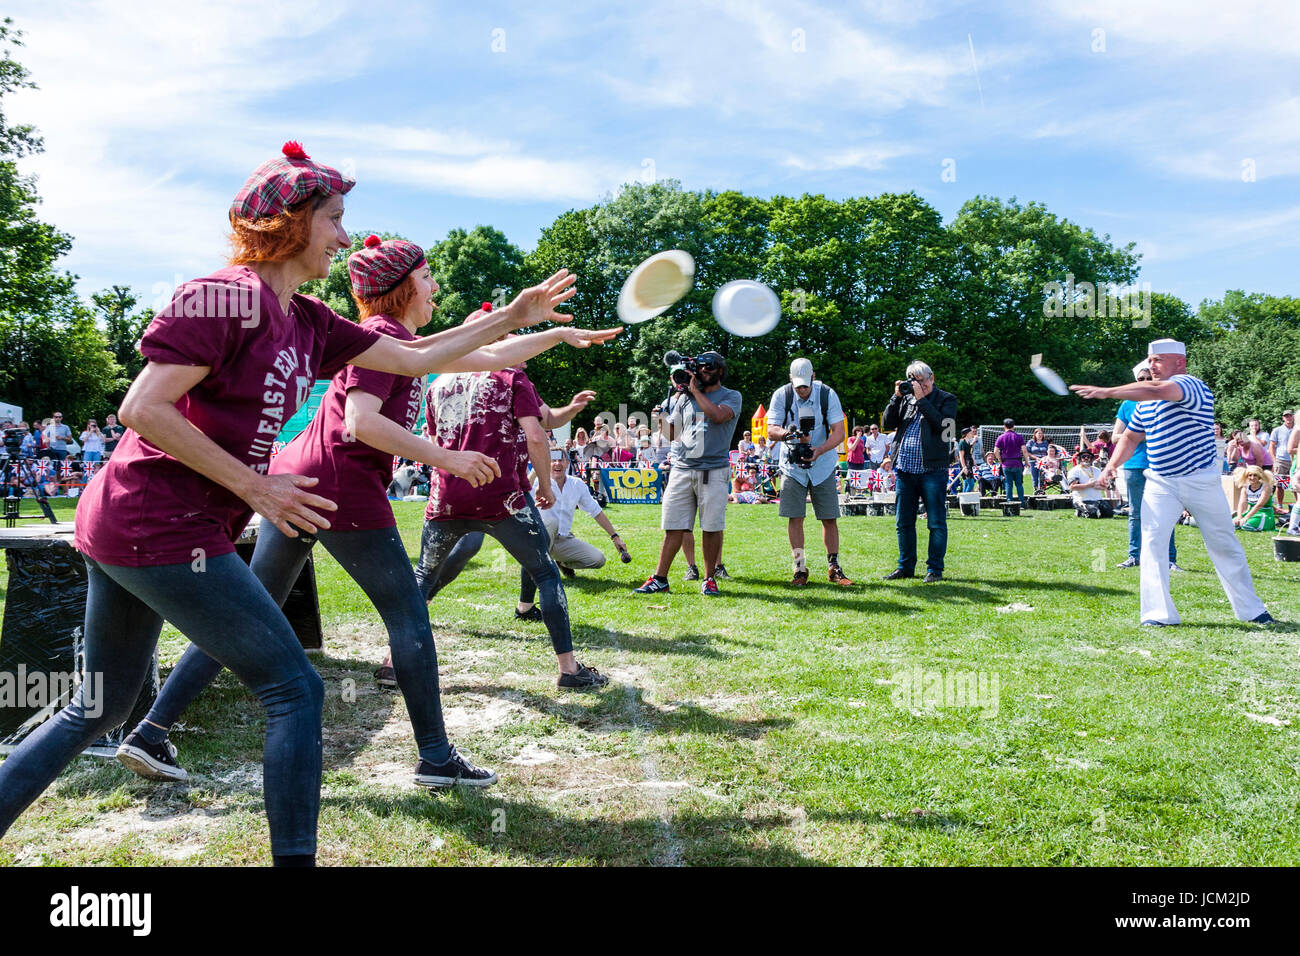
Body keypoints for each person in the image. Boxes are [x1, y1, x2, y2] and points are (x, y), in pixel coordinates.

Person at [0, 143, 606, 867]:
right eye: (335, 219)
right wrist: (256, 487)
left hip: (145, 524)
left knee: (95, 707)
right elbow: (143, 407)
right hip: (154, 521)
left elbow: (416, 356)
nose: (346, 238)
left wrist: (511, 315)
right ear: (289, 222)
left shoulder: (309, 321)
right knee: (294, 690)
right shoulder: (224, 296)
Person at [115, 238, 605, 791]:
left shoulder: (399, 340)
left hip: (303, 476)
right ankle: (436, 759)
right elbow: (362, 423)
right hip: (338, 481)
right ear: (402, 288)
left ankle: (152, 731)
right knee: (408, 615)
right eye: (427, 276)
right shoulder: (386, 336)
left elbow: (493, 355)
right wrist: (445, 457)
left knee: (253, 610)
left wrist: (558, 333)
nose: (435, 287)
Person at [1074, 338, 1273, 627]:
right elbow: (1130, 438)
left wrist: (1107, 392)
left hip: (1200, 479)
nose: (1151, 366)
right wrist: (1111, 467)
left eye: (1158, 360)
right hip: (1160, 481)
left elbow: (1157, 389)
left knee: (1222, 542)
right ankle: (1158, 615)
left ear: (1179, 363)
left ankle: (1252, 610)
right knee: (1152, 543)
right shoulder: (1144, 404)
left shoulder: (1191, 385)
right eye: (1149, 361)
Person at [635, 351, 741, 596]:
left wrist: (694, 392)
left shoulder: (732, 396)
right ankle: (660, 578)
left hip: (713, 469)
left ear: (720, 371)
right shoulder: (682, 398)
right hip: (682, 467)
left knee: (711, 526)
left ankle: (708, 578)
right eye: (699, 368)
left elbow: (717, 416)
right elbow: (672, 435)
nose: (702, 372)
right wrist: (659, 418)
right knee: (674, 526)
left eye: (708, 368)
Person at [513, 448, 630, 621]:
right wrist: (537, 470)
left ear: (568, 463)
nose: (557, 463)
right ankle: (539, 575)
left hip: (562, 539)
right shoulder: (538, 480)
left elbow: (596, 511)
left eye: (561, 460)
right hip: (538, 539)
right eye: (552, 460)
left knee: (598, 560)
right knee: (551, 522)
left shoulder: (577, 485)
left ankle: (560, 561)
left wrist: (615, 536)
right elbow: (521, 494)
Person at [766, 358, 852, 587]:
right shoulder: (781, 395)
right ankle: (799, 568)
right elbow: (770, 429)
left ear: (813, 377)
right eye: (798, 385)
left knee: (829, 517)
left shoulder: (827, 394)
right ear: (790, 379)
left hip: (822, 464)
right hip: (792, 466)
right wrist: (789, 435)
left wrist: (819, 450)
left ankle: (834, 567)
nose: (802, 390)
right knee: (795, 517)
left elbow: (839, 432)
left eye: (806, 384)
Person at [881, 361, 957, 583]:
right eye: (913, 381)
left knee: (935, 522)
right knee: (903, 522)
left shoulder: (946, 399)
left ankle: (935, 569)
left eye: (921, 380)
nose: (918, 385)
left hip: (933, 470)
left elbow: (946, 429)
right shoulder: (906, 399)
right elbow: (887, 423)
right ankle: (905, 567)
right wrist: (896, 397)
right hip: (905, 471)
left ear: (931, 378)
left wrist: (922, 401)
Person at [1112, 359, 1179, 570]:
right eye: (1141, 379)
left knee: (1165, 512)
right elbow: (1115, 437)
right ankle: (1134, 556)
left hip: (1161, 464)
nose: (1145, 382)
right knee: (1136, 513)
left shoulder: (1167, 401)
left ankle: (1169, 559)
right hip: (1134, 465)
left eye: (1149, 378)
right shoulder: (1128, 404)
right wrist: (1139, 435)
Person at [1065, 449, 1112, 517]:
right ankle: (1079, 511)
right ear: (1079, 458)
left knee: (1109, 514)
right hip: (1083, 499)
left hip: (1097, 499)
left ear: (1091, 459)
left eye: (1088, 456)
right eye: (1083, 456)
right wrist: (1089, 485)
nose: (1086, 458)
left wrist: (1100, 486)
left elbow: (1105, 486)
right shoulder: (1074, 471)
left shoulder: (1097, 470)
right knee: (1093, 514)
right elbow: (1072, 487)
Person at [993, 418, 1028, 507]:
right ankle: (1022, 504)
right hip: (1017, 463)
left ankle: (1009, 503)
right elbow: (1024, 450)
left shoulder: (1000, 437)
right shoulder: (1019, 436)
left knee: (1008, 484)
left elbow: (995, 451)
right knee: (1019, 484)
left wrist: (1000, 460)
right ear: (1014, 426)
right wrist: (1027, 462)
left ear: (1004, 426)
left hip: (1006, 463)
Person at [1232, 466, 1275, 532]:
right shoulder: (1245, 487)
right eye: (1250, 475)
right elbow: (1241, 503)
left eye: (1255, 475)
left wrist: (1246, 518)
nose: (1252, 478)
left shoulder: (1266, 487)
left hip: (1264, 513)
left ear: (1259, 476)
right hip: (1251, 512)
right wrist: (1239, 517)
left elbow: (1259, 505)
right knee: (1232, 523)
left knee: (1246, 525)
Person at [1267, 410, 1293, 511]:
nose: (1288, 418)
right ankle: (1280, 505)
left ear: (1293, 417)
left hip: (1295, 460)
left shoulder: (1297, 429)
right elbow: (1272, 446)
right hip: (1281, 460)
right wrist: (1274, 460)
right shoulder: (1277, 430)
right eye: (1286, 416)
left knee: (1296, 484)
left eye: (1290, 416)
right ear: (1283, 418)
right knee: (1280, 484)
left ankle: (1297, 505)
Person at [1025, 427, 1050, 492]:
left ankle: (1042, 490)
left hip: (1043, 462)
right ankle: (1036, 490)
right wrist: (1036, 458)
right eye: (1038, 433)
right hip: (1033, 462)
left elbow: (1049, 451)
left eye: (1041, 433)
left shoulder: (1045, 442)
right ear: (1035, 434)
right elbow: (1027, 452)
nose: (1040, 435)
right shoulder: (1031, 442)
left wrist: (1045, 458)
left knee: (1042, 476)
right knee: (1035, 477)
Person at [956, 426, 978, 492]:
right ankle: (966, 499)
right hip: (965, 464)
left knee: (966, 483)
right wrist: (964, 467)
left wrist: (975, 464)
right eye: (971, 432)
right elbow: (961, 456)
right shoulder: (962, 442)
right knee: (971, 483)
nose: (973, 433)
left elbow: (969, 452)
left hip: (969, 463)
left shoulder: (967, 442)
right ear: (967, 434)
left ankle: (963, 501)